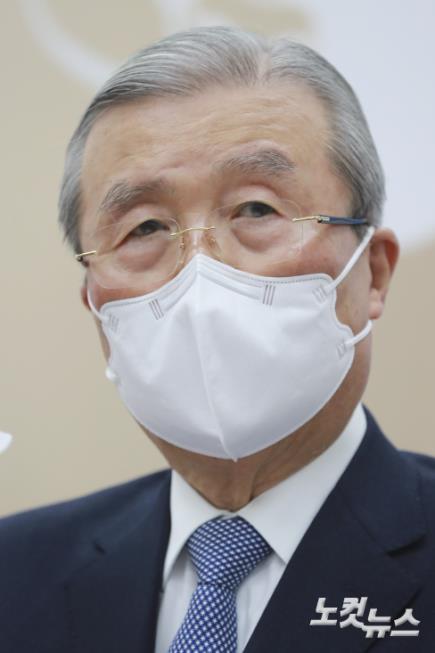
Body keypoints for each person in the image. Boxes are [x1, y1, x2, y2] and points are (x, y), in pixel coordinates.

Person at [1, 26, 434, 653]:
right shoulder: (14, 576)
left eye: (256, 210)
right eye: (145, 227)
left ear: (374, 272)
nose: (200, 275)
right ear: (97, 311)